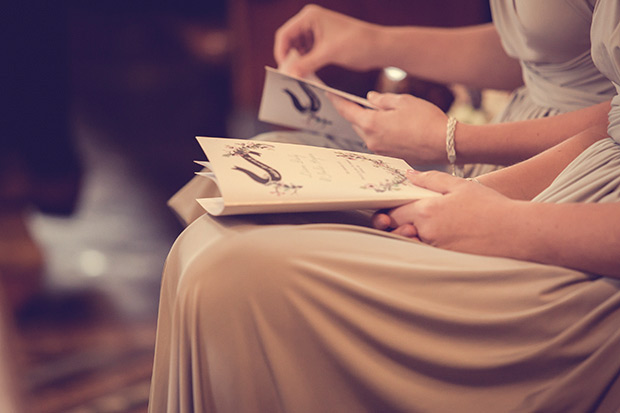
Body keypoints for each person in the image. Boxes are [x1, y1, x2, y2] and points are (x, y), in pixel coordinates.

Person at [148, 1, 620, 412]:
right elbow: (541, 54)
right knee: (215, 230)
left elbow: (607, 113)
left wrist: (461, 152)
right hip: (555, 162)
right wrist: (375, 41)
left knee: (230, 270)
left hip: (580, 220)